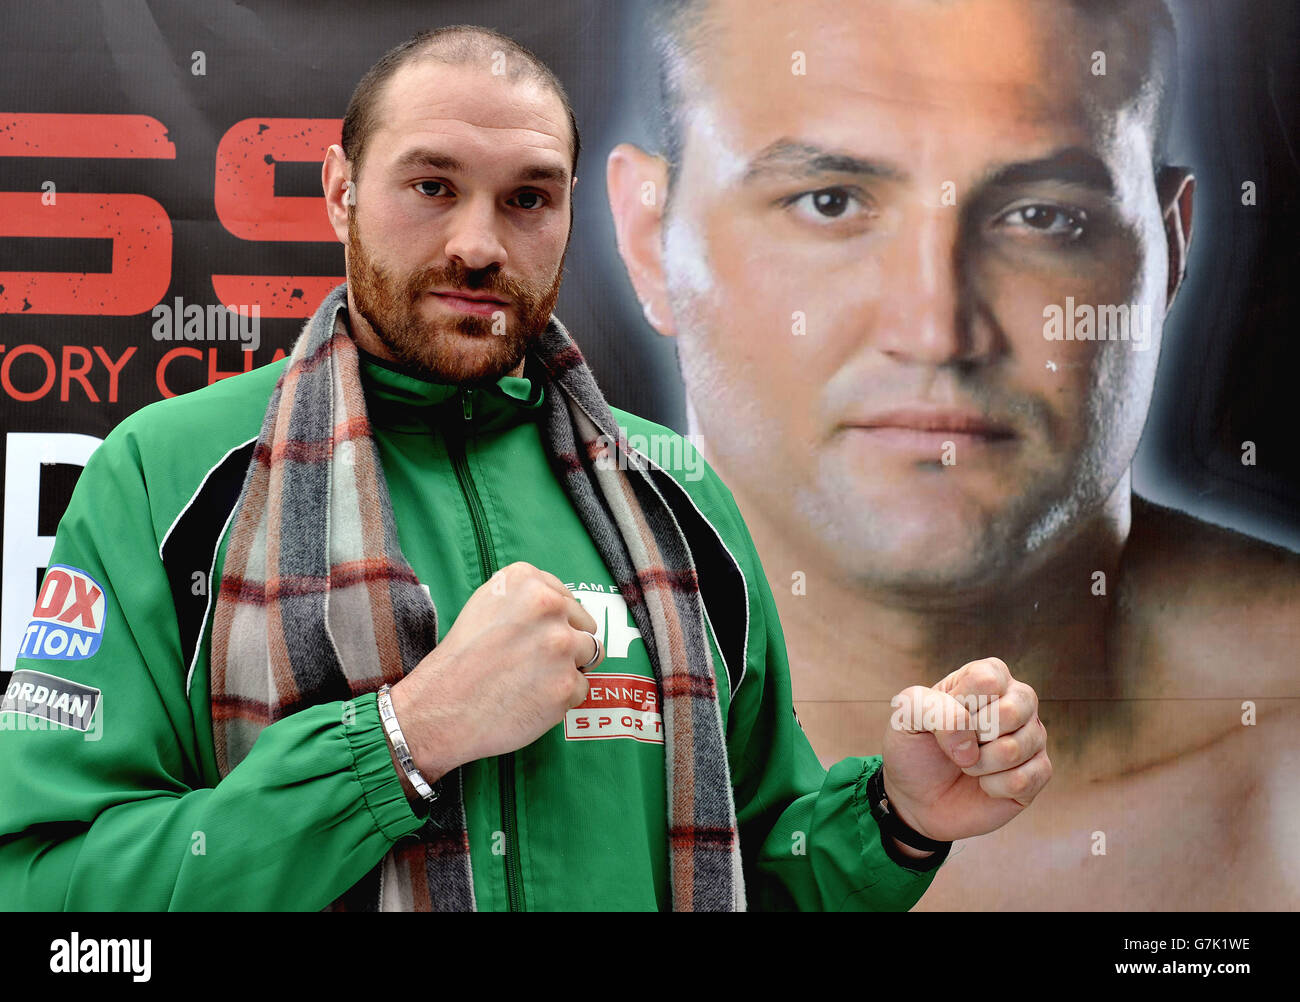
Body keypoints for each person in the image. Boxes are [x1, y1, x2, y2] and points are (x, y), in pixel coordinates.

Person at [0, 25, 1049, 912]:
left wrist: (893, 820)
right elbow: (50, 891)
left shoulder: (676, 493)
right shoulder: (166, 475)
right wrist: (403, 742)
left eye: (527, 199)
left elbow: (756, 864)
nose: (478, 243)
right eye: (431, 185)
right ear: (339, 193)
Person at [606, 0, 1299, 910]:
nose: (936, 331)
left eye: (1043, 216)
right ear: (650, 241)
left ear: (1169, 250)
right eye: (830, 202)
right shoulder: (460, 717)